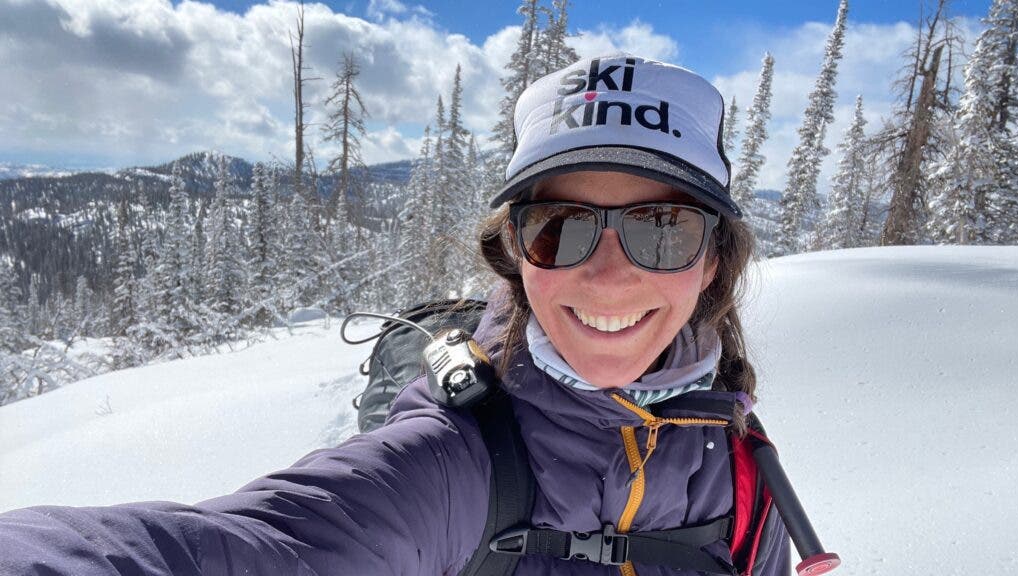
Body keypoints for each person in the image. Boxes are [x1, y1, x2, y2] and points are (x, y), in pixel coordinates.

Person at [0, 53, 790, 575]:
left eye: (663, 228)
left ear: (712, 260)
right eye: (559, 227)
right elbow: (254, 548)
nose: (609, 277)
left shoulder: (739, 458)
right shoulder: (451, 463)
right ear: (515, 255)